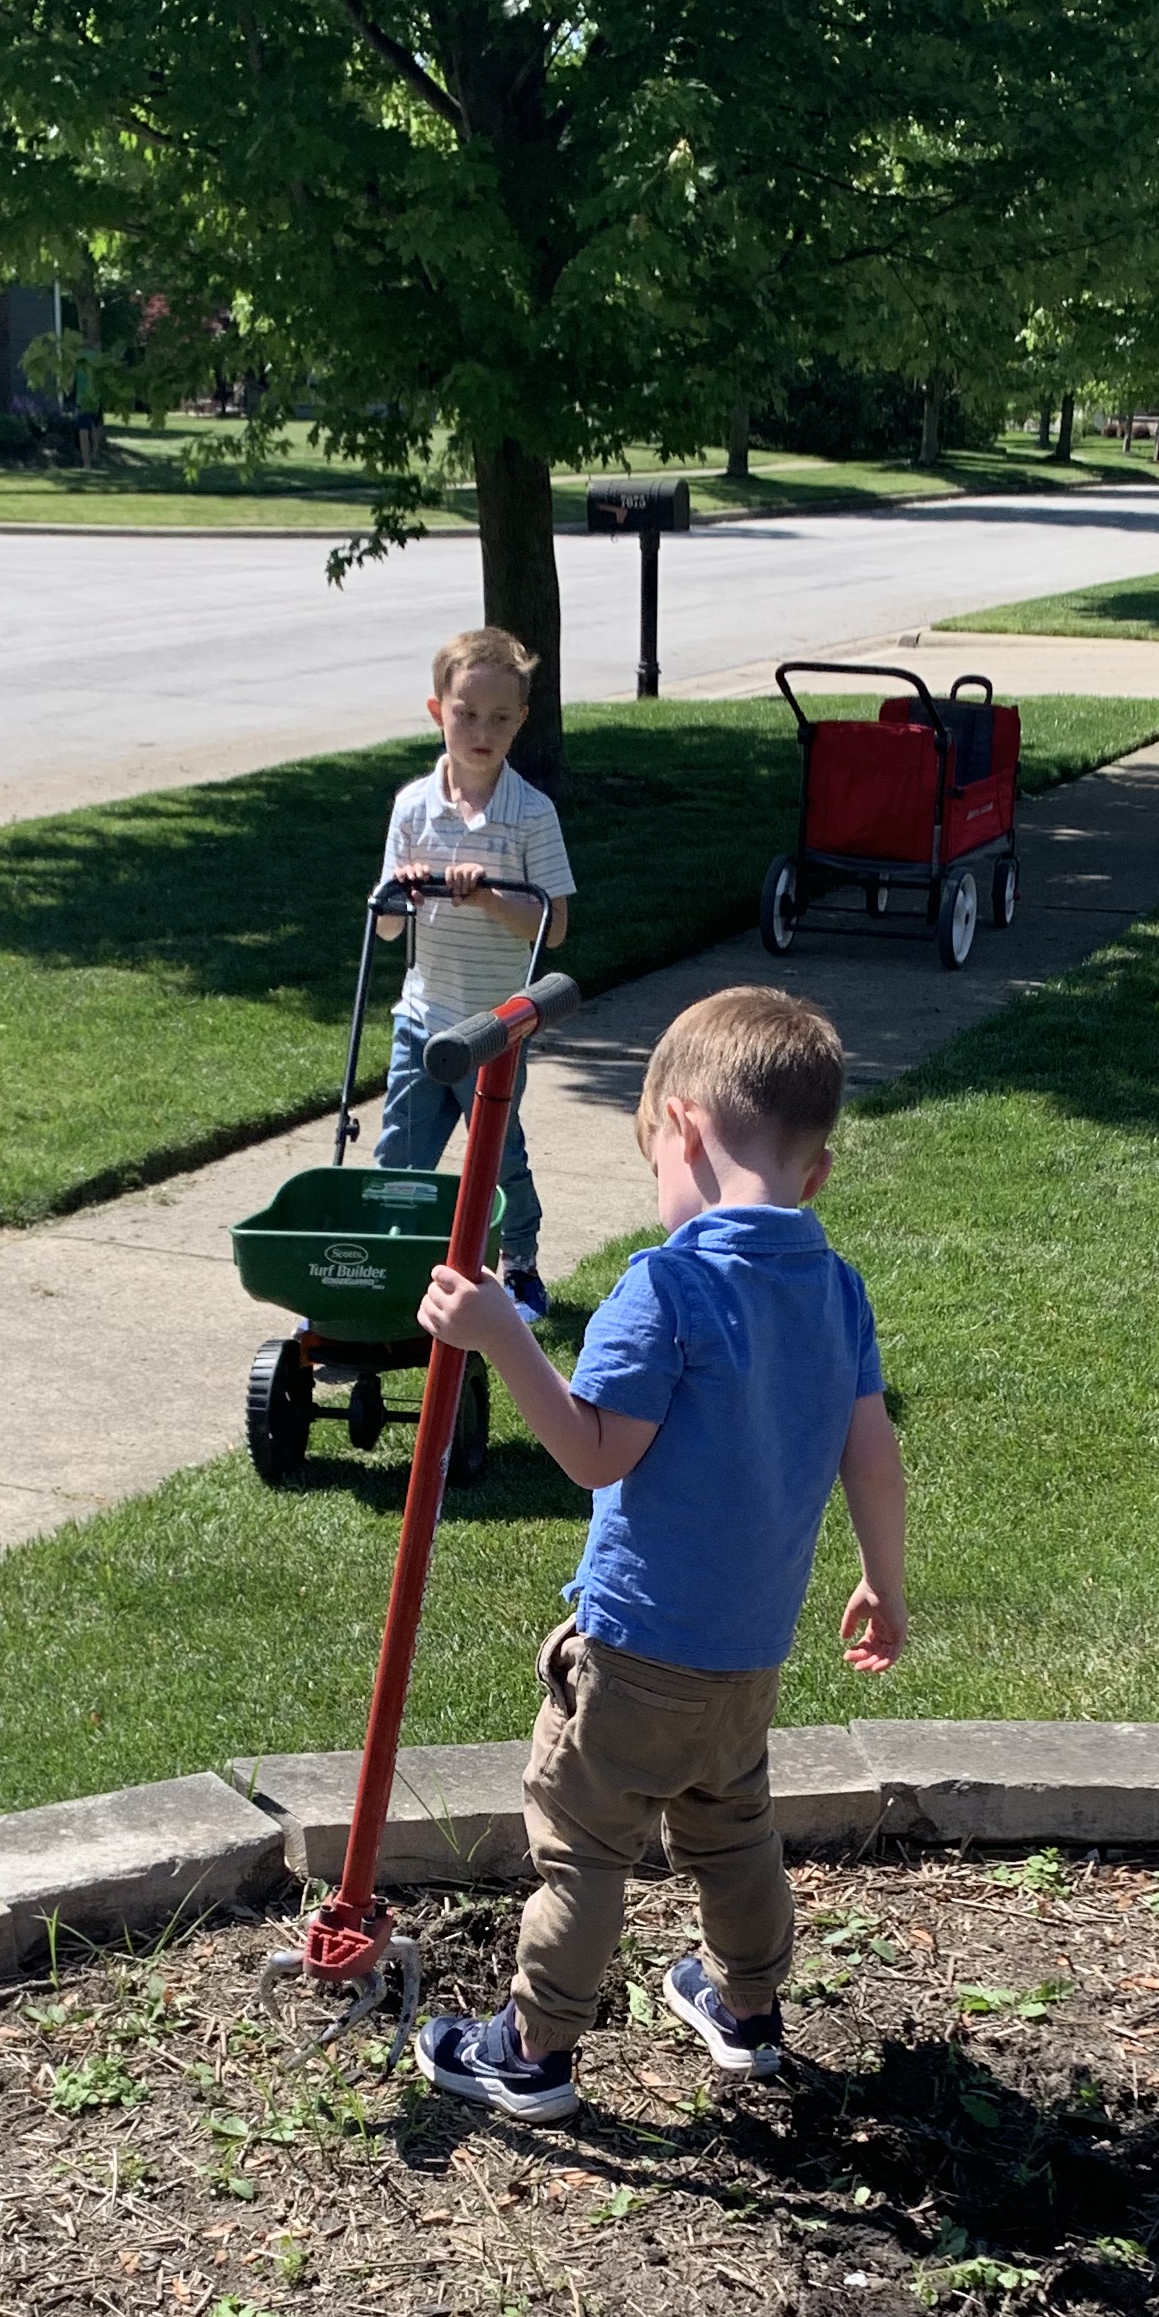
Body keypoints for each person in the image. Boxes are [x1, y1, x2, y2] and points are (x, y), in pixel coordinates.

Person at [407, 987, 908, 2124]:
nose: (660, 1194)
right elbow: (869, 1456)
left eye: (654, 1164)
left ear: (680, 1130)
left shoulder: (665, 1284)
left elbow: (592, 1453)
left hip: (634, 1652)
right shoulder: (836, 1289)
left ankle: (531, 2052)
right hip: (747, 1658)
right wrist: (883, 1578)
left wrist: (504, 1337)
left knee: (584, 1850)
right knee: (732, 1832)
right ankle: (747, 2012)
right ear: (815, 1174)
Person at [372, 625, 573, 1321]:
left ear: (520, 721)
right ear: (438, 713)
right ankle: (389, 1263)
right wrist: (402, 889)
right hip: (422, 1016)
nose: (480, 730)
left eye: (498, 717)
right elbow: (387, 926)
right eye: (466, 713)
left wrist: (486, 893)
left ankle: (519, 1266)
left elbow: (554, 926)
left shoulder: (532, 816)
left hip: (495, 1027)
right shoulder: (412, 807)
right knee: (397, 1155)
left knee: (499, 1156)